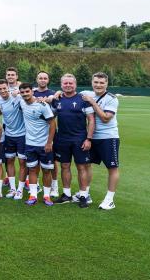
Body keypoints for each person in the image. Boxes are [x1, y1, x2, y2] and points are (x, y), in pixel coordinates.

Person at [51, 74, 95, 208]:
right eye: (65, 83)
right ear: (61, 85)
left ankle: (83, 195)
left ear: (75, 85)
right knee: (65, 166)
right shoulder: (56, 100)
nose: (68, 85)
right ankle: (66, 194)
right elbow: (50, 117)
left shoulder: (83, 99)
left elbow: (91, 120)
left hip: (79, 139)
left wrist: (88, 139)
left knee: (81, 167)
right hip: (62, 139)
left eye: (70, 83)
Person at [81, 72, 120, 210]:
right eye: (96, 82)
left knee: (112, 168)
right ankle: (86, 194)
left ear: (106, 84)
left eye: (102, 83)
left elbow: (105, 118)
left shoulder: (112, 99)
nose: (98, 85)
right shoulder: (86, 92)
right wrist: (57, 94)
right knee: (86, 165)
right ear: (92, 82)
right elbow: (69, 92)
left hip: (108, 137)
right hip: (91, 137)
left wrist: (92, 102)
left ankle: (109, 200)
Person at [18, 83, 56, 206]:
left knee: (46, 170)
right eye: (22, 92)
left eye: (27, 91)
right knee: (32, 170)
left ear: (32, 92)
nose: (25, 94)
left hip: (44, 144)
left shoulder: (42, 105)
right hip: (29, 143)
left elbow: (52, 124)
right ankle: (33, 195)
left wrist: (49, 142)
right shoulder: (22, 103)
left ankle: (46, 196)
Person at [0, 79, 27, 199]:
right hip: (8, 135)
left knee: (23, 162)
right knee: (9, 161)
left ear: (8, 87)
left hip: (22, 135)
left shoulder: (17, 97)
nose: (2, 91)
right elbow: (0, 111)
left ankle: (20, 189)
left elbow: (30, 92)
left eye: (4, 88)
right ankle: (13, 189)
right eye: (0, 89)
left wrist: (18, 92)